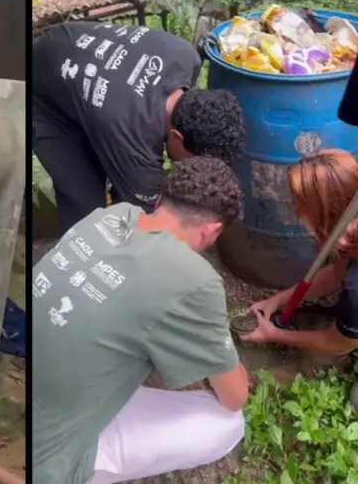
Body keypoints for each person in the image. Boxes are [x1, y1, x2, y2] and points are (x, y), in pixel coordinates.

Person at [31, 156, 250, 484]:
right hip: (53, 464)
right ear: (213, 230)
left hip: (37, 394)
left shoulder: (112, 215)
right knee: (228, 422)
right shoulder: (195, 280)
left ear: (160, 201)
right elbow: (235, 396)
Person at [31, 21, 248, 233]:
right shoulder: (133, 135)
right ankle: (77, 263)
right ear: (176, 136)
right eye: (193, 162)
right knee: (85, 208)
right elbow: (142, 217)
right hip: (43, 94)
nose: (193, 168)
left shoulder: (187, 57)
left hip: (67, 41)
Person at [242, 148, 358, 356]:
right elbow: (334, 275)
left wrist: (274, 334)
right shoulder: (350, 221)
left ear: (326, 212)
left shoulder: (356, 288)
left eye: (300, 206)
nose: (296, 213)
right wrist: (277, 300)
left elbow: (340, 344)